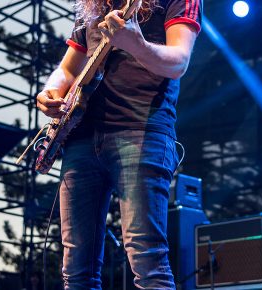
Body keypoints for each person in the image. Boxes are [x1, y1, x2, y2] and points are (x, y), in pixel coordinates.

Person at [36, 0, 202, 288]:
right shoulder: (94, 6)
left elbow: (179, 62)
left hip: (142, 131)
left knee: (147, 261)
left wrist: (136, 44)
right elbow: (68, 68)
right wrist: (51, 88)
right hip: (81, 137)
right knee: (76, 271)